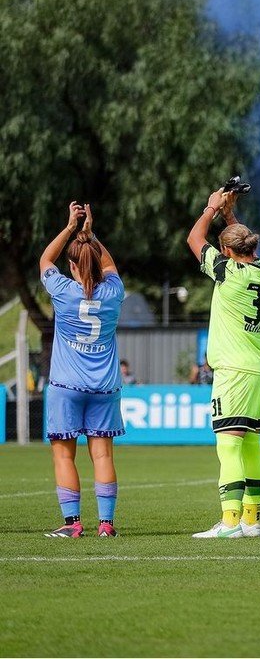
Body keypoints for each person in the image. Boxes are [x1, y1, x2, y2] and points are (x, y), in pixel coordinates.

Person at [187, 187, 260, 538]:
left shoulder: (227, 272)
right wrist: (229, 216)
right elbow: (243, 247)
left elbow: (194, 238)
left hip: (235, 372)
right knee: (252, 444)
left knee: (229, 444)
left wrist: (211, 207)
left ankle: (229, 522)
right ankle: (251, 520)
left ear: (226, 251)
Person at [40, 202, 125, 538]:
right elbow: (109, 264)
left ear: (72, 266)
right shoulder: (113, 293)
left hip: (66, 386)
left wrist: (70, 228)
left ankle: (73, 524)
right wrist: (91, 235)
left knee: (64, 456)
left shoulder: (62, 292)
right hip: (105, 387)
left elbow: (45, 260)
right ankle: (106, 525)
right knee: (102, 454)